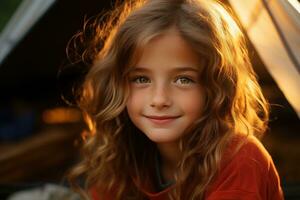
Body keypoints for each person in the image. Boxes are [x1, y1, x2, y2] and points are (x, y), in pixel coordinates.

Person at [67, 0, 284, 199]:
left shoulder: (241, 159)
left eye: (183, 80)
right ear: (117, 84)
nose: (159, 99)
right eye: (141, 78)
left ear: (216, 86)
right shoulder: (120, 156)